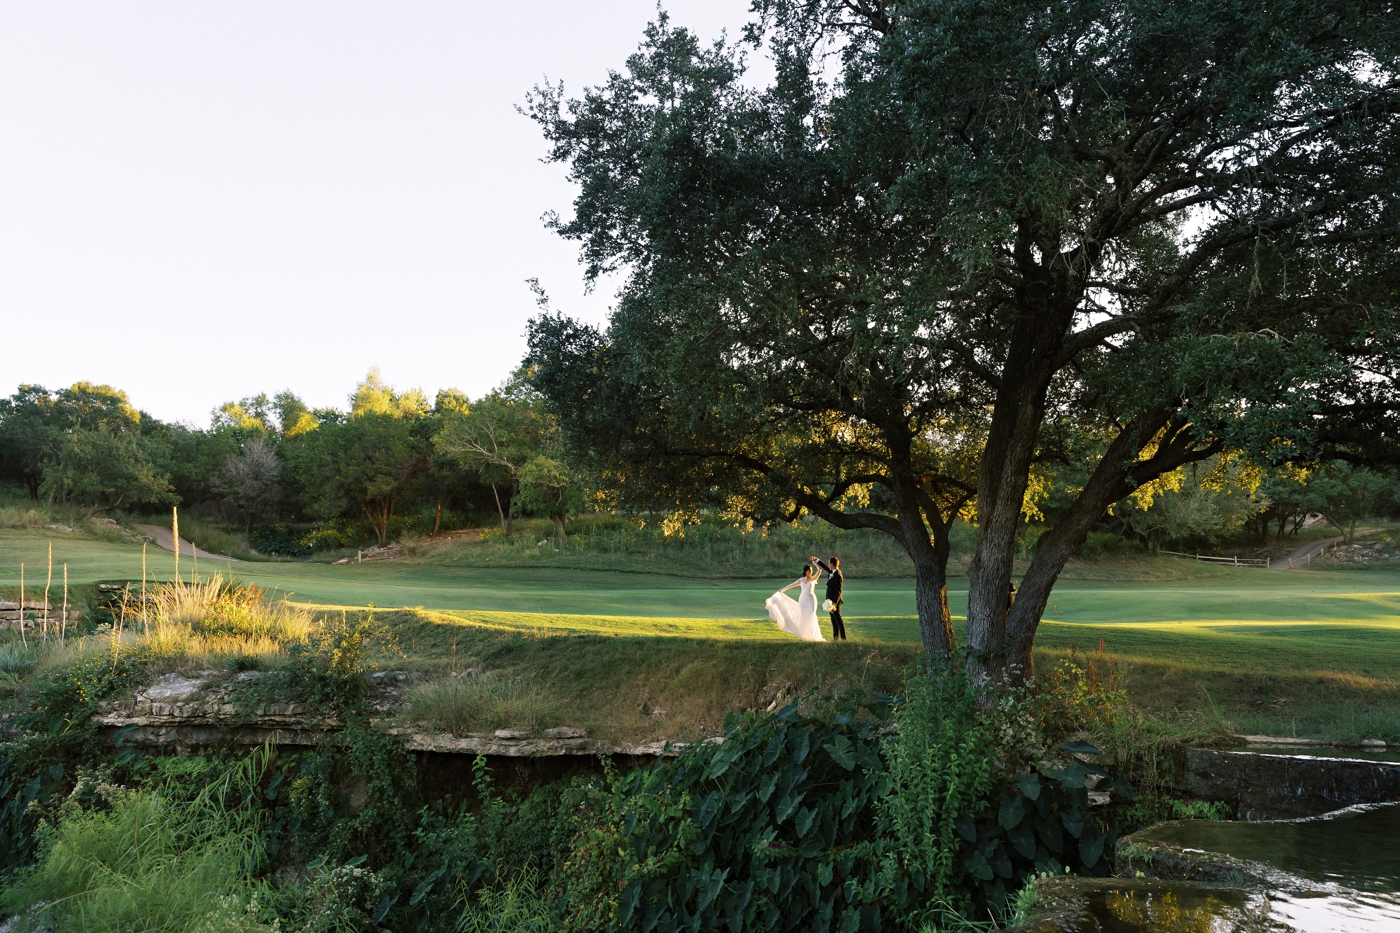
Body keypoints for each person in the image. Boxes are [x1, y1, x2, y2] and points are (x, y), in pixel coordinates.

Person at [765, 564, 825, 642]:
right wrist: (782, 590)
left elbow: (819, 570)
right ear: (806, 571)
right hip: (803, 599)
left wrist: (815, 562)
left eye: (811, 570)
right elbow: (791, 585)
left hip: (811, 599)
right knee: (803, 616)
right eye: (809, 570)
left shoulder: (813, 579)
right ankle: (804, 635)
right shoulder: (801, 580)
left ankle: (813, 635)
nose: (811, 571)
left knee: (812, 614)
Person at [810, 555, 846, 640]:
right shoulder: (832, 571)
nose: (828, 564)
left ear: (832, 564)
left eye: (829, 563)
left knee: (838, 620)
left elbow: (838, 591)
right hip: (829, 600)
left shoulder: (838, 575)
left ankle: (844, 639)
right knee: (833, 620)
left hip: (834, 601)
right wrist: (817, 560)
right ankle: (835, 637)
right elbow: (826, 568)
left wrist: (834, 604)